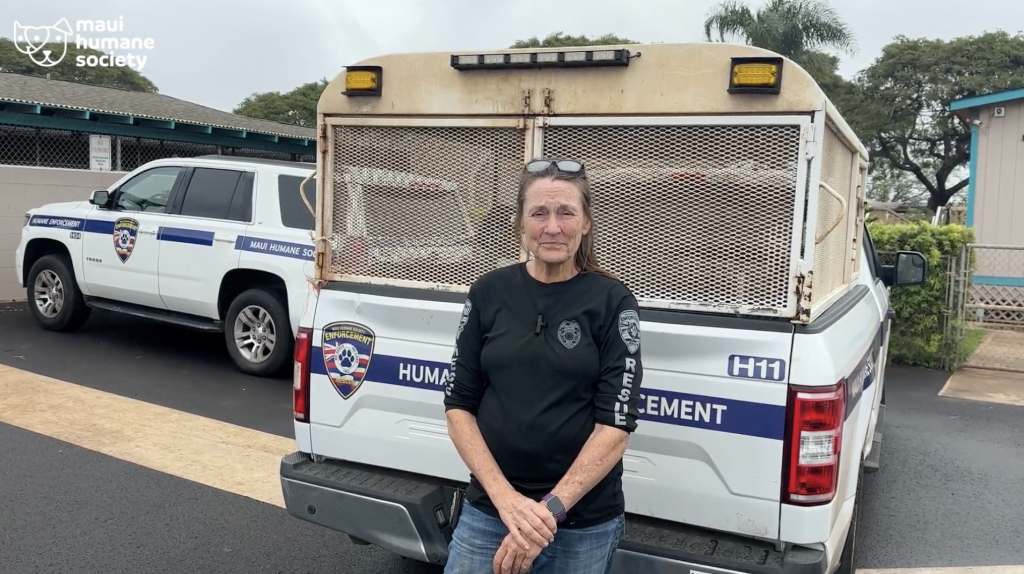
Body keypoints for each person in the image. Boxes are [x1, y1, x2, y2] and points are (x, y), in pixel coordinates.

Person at [442, 157, 645, 574]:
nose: (553, 227)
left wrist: (548, 512)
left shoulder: (613, 302)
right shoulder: (488, 293)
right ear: (520, 222)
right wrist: (508, 502)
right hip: (490, 513)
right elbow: (458, 407)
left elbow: (615, 427)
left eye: (566, 212)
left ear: (586, 223)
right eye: (539, 213)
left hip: (581, 525)